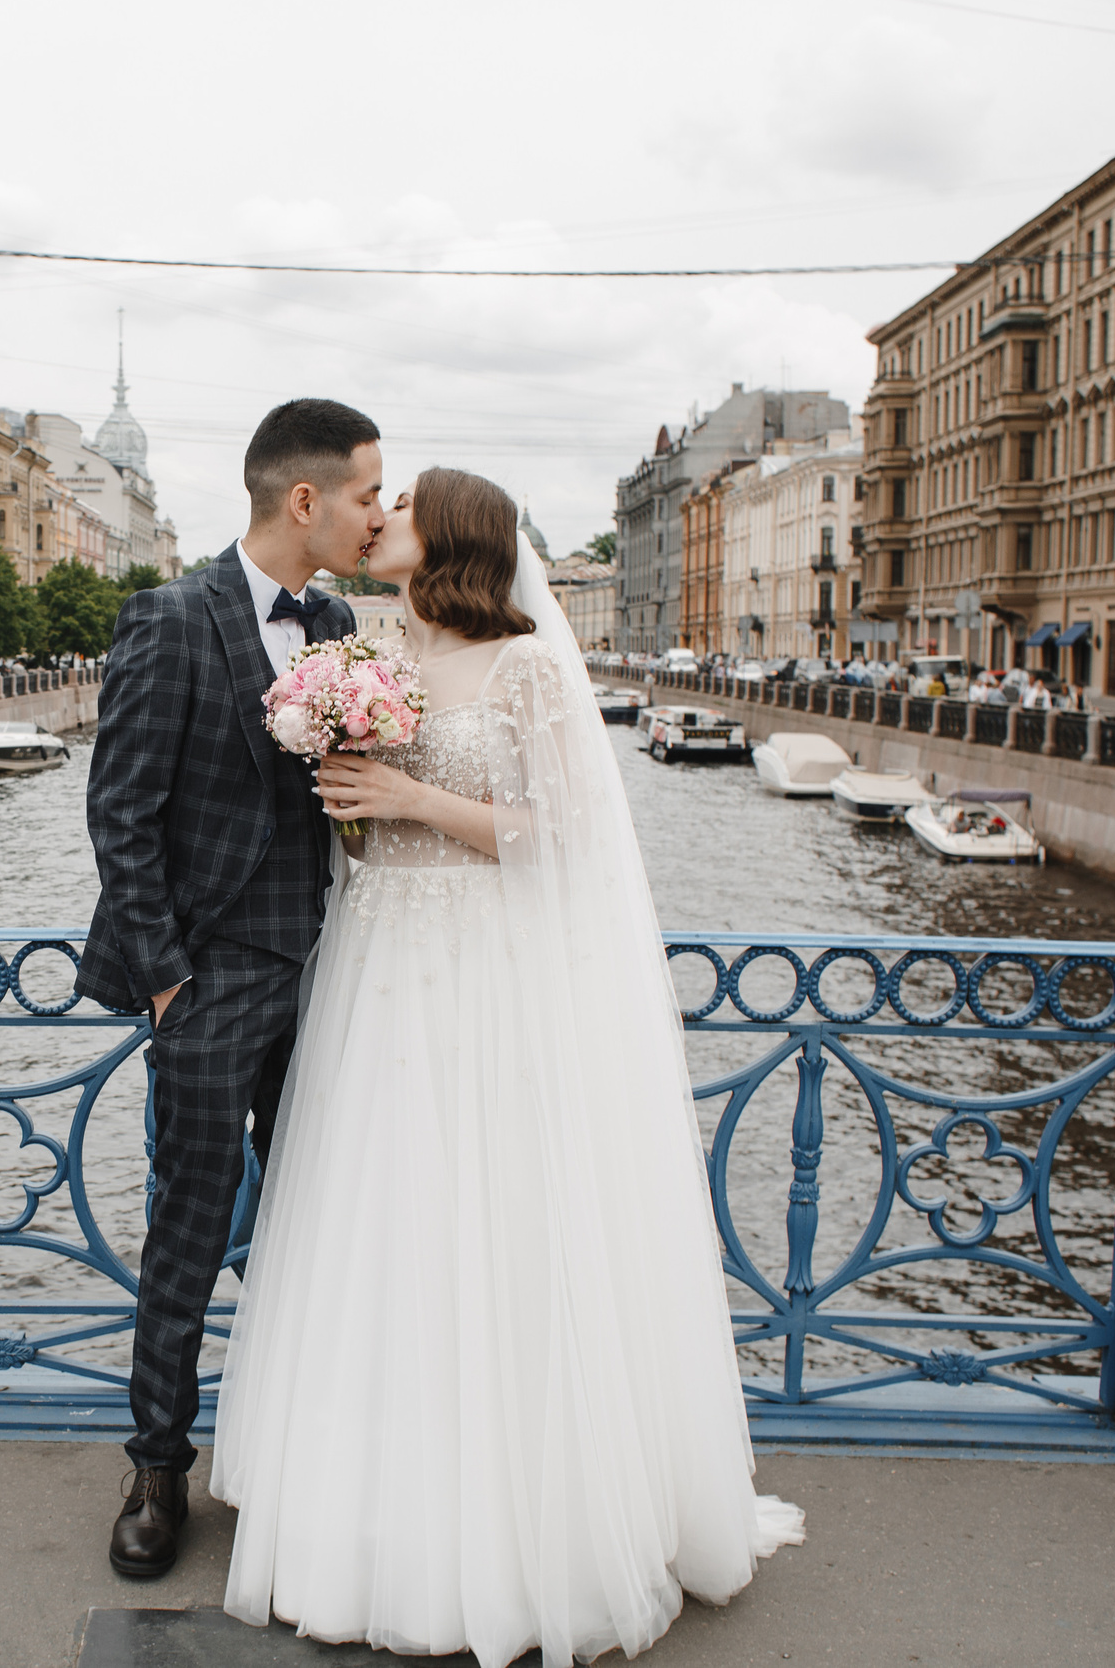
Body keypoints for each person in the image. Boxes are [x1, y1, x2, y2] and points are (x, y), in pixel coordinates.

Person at [214, 468, 800, 1666]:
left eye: (402, 508)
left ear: (457, 539)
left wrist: (404, 790)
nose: (378, 521)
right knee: (381, 1226)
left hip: (483, 974)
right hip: (377, 970)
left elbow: (559, 835)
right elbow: (364, 817)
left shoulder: (527, 664)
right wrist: (352, 801)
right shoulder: (367, 651)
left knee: (496, 1223)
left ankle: (517, 1527)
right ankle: (374, 1518)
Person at [79, 399, 384, 1581]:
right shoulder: (166, 618)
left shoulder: (340, 620)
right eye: (364, 492)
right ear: (302, 500)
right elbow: (120, 816)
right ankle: (158, 1468)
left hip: (334, 978)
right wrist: (166, 984)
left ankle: (303, 1453)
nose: (374, 513)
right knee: (191, 1234)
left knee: (322, 1227)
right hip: (209, 986)